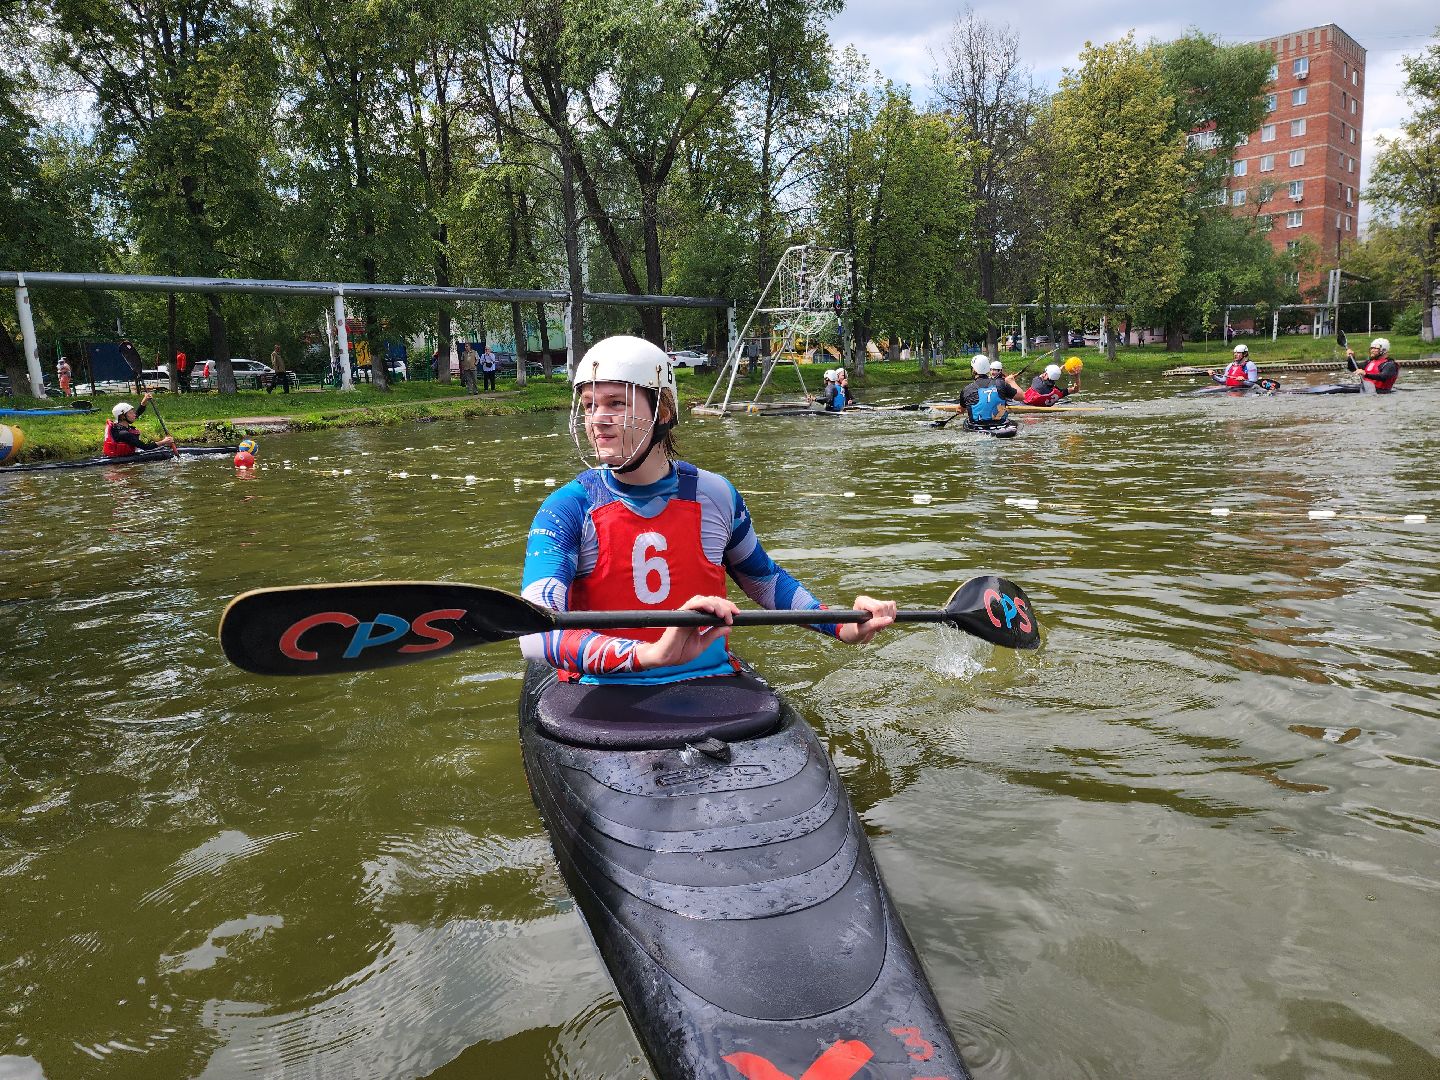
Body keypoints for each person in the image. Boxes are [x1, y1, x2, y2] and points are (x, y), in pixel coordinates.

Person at [519, 336, 895, 685]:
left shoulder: (715, 494)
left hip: (708, 682)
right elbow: (534, 635)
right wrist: (648, 655)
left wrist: (841, 625)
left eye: (616, 403)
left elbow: (764, 580)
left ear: (662, 411)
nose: (597, 419)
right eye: (589, 406)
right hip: (604, 689)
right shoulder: (566, 509)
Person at [103, 395, 176, 457]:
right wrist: (164, 441)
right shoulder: (124, 433)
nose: (134, 415)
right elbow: (145, 447)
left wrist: (144, 402)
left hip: (126, 454)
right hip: (120, 458)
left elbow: (137, 413)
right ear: (123, 417)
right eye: (131, 413)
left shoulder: (119, 424)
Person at [962, 354, 1018, 429]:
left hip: (977, 426)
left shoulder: (967, 389)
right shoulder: (1001, 383)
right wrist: (1011, 381)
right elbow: (1021, 396)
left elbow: (961, 409)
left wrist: (959, 410)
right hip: (1001, 424)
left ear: (974, 370)